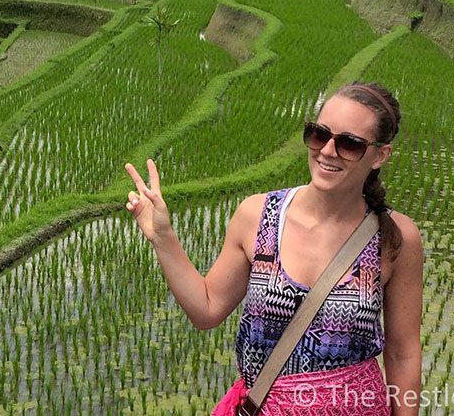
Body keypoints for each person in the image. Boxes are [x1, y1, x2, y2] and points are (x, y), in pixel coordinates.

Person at [124, 82, 423, 415]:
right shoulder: (257, 216)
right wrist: (163, 237)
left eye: (349, 144)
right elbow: (207, 309)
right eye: (320, 134)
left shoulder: (394, 237)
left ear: (380, 155)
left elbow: (403, 353)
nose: (327, 151)